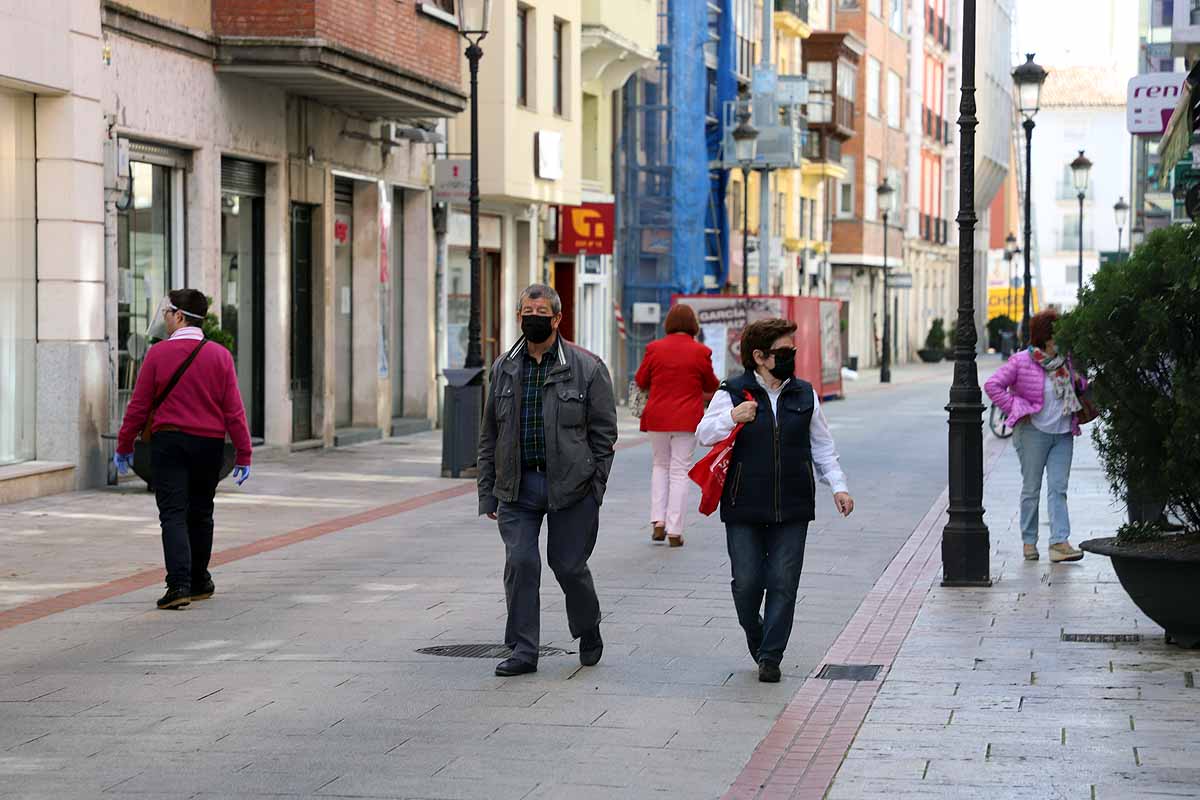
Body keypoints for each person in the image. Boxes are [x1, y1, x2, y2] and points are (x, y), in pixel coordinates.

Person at [696, 318, 854, 683]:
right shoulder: (732, 392)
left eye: (792, 352)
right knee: (747, 583)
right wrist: (733, 418)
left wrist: (839, 487)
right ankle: (757, 635)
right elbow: (703, 434)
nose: (790, 358)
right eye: (783, 352)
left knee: (783, 581)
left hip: (793, 504)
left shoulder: (804, 394)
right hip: (743, 503)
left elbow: (823, 446)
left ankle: (771, 655)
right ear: (759, 356)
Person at [478, 284, 618, 677]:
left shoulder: (587, 368)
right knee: (521, 563)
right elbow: (489, 433)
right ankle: (524, 650)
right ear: (517, 316)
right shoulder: (504, 366)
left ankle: (588, 627)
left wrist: (596, 487)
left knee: (569, 566)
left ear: (557, 319)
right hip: (517, 487)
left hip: (572, 488)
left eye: (541, 311)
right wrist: (488, 491)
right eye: (527, 310)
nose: (533, 317)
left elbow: (605, 434)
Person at [114, 289, 252, 610]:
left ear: (179, 316)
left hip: (170, 443)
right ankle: (200, 579)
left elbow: (138, 407)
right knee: (202, 512)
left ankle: (179, 586)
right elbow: (233, 410)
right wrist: (243, 453)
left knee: (173, 514)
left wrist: (124, 445)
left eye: (167, 312)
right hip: (209, 445)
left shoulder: (158, 355)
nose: (164, 318)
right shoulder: (219, 355)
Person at [985, 309, 1086, 563]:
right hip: (1032, 432)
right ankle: (1029, 542)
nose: (1060, 338)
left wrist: (1079, 382)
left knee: (1058, 488)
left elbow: (1079, 386)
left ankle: (1059, 543)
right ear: (1045, 337)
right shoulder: (1021, 361)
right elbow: (992, 385)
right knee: (1031, 489)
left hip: (1063, 432)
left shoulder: (1066, 360)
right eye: (1056, 334)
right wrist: (1017, 408)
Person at [634, 304, 720, 547]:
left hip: (657, 417)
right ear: (693, 325)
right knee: (680, 470)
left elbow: (641, 380)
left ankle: (657, 522)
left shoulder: (654, 348)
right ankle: (674, 529)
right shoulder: (700, 351)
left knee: (660, 465)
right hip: (686, 418)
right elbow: (711, 384)